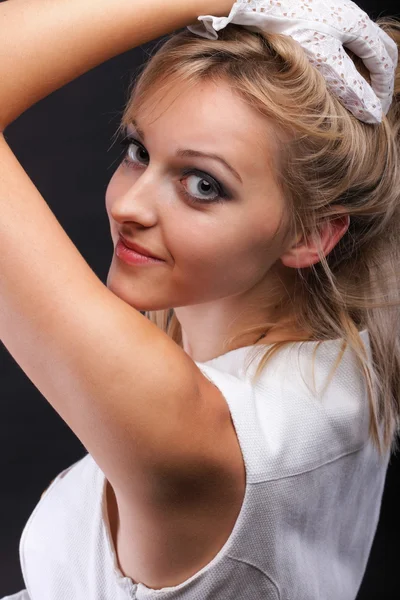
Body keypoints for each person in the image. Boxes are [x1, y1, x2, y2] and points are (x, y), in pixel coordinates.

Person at [0, 0, 399, 598]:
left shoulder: (194, 430)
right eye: (139, 151)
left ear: (313, 234)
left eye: (203, 185)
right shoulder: (345, 362)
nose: (128, 207)